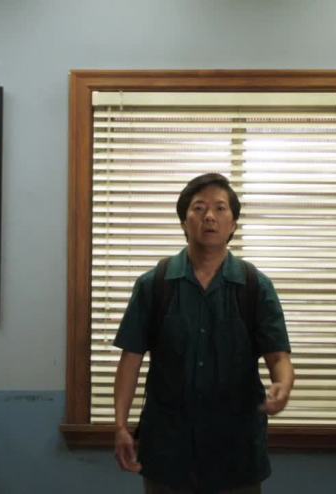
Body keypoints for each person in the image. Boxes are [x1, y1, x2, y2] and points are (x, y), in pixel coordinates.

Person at [113, 173, 294, 493]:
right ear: (184, 221)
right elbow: (131, 359)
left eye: (220, 208)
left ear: (233, 223)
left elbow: (278, 357)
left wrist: (283, 385)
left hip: (236, 453)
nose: (209, 216)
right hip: (168, 452)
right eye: (199, 208)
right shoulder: (154, 285)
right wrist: (120, 426)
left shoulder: (255, 286)